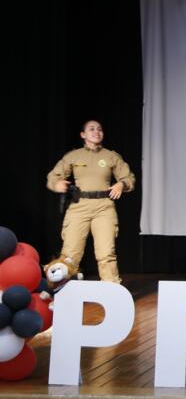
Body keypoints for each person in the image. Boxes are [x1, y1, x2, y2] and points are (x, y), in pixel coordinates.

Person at [46, 120, 135, 283]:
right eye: (91, 129)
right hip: (79, 206)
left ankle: (112, 291)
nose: (96, 132)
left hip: (104, 207)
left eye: (100, 129)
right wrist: (57, 183)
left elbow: (128, 177)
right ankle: (63, 292)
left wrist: (121, 184)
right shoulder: (74, 156)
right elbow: (53, 176)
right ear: (83, 135)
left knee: (106, 253)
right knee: (70, 254)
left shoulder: (111, 156)